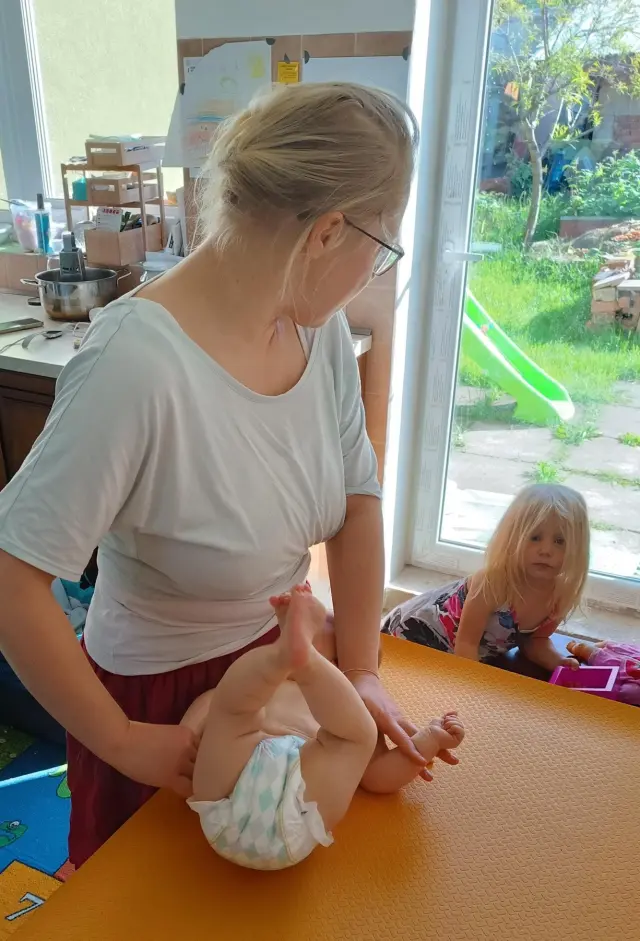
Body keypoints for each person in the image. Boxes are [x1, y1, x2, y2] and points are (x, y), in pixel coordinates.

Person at [0, 82, 424, 867]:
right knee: (154, 898)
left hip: (278, 661)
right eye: (383, 246)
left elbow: (357, 504)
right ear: (329, 232)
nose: (375, 270)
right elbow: (10, 580)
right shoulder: (136, 366)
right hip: (157, 700)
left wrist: (361, 672)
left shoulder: (319, 334)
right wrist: (125, 739)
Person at [182, 584, 465, 870]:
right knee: (235, 707)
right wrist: (186, 739)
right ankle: (296, 659)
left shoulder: (347, 711)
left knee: (233, 710)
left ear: (339, 668)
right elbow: (209, 704)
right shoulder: (268, 688)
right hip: (248, 800)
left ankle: (303, 660)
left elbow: (379, 776)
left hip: (250, 800)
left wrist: (429, 740)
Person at [383, 484, 590, 669]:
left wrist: (557, 662)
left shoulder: (561, 595)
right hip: (407, 639)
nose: (546, 550)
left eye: (560, 541)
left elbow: (534, 641)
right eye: (535, 537)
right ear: (512, 538)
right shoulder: (493, 582)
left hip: (460, 659)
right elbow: (466, 644)